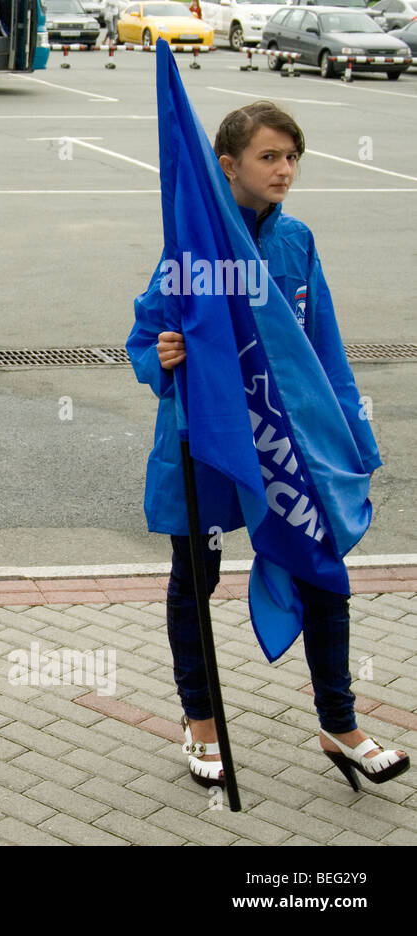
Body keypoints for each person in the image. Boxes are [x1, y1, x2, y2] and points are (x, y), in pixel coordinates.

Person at [127, 101, 408, 794]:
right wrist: (162, 356)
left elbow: (323, 351)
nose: (285, 170)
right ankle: (201, 723)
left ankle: (339, 724)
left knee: (320, 568)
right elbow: (144, 338)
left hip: (289, 446)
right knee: (195, 579)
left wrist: (353, 435)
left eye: (291, 157)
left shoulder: (296, 242)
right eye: (269, 157)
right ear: (228, 165)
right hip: (208, 442)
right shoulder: (193, 247)